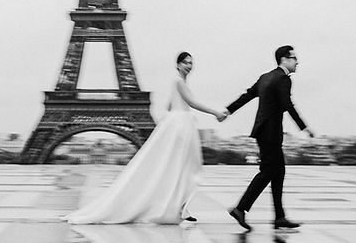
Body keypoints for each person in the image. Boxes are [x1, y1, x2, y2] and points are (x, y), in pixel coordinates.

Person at [65, 52, 227, 224]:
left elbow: (169, 105)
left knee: (181, 167)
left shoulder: (177, 82)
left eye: (191, 63)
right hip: (182, 126)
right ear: (178, 65)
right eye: (186, 62)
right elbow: (192, 103)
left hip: (178, 124)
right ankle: (180, 207)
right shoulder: (179, 82)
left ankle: (181, 206)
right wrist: (215, 112)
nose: (189, 66)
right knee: (184, 167)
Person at [221, 45, 314, 231]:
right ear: (284, 59)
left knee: (278, 171)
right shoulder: (283, 79)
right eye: (294, 58)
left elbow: (248, 95)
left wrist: (229, 110)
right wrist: (304, 127)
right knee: (267, 172)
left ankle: (279, 217)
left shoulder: (265, 77)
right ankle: (240, 208)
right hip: (271, 133)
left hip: (262, 131)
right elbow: (288, 104)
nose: (297, 62)